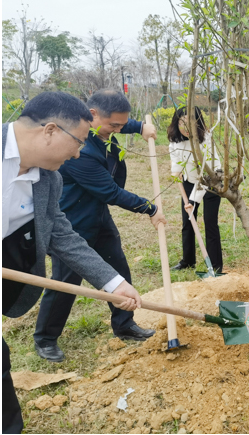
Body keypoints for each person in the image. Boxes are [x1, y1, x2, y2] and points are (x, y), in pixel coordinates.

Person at [2, 92, 143, 434]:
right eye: (78, 142)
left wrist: (113, 283)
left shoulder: (49, 179)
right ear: (50, 130)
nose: (79, 153)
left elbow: (61, 235)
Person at [33, 89, 166, 363]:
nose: (117, 130)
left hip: (98, 216)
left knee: (118, 269)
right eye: (114, 125)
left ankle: (124, 324)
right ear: (92, 115)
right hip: (73, 223)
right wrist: (150, 208)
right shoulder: (80, 151)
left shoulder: (99, 128)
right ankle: (45, 338)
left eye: (121, 125)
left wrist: (139, 127)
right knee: (65, 283)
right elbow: (111, 192)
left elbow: (117, 122)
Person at [168, 106, 223, 272]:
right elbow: (176, 164)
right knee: (188, 221)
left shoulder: (206, 139)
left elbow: (208, 172)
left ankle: (216, 266)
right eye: (181, 123)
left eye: (190, 123)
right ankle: (188, 261)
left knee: (210, 222)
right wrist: (176, 173)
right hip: (189, 181)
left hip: (211, 182)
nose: (185, 128)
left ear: (198, 123)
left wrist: (194, 200)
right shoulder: (175, 141)